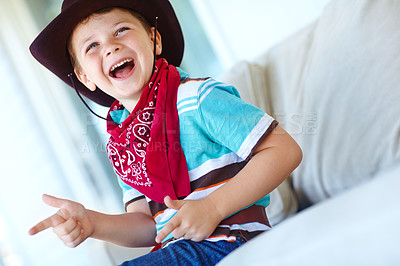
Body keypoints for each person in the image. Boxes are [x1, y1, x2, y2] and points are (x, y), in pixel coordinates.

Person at [28, 0, 302, 265]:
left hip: (233, 239)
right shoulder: (123, 145)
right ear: (84, 77)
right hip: (180, 248)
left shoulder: (197, 97)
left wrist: (212, 208)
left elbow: (284, 150)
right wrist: (93, 223)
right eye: (92, 46)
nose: (110, 47)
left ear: (154, 40)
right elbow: (149, 226)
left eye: (121, 30)